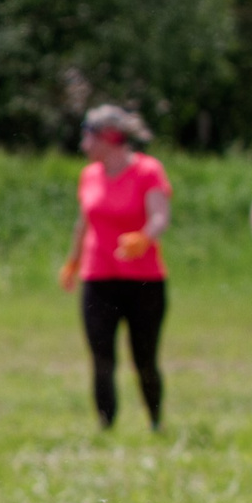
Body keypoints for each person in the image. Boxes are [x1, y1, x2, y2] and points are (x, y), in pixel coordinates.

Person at [56, 105, 170, 431]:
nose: (83, 145)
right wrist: (73, 260)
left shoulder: (148, 171)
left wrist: (144, 238)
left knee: (144, 358)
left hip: (144, 280)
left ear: (109, 138)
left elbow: (160, 216)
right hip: (98, 277)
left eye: (88, 138)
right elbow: (83, 222)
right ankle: (106, 425)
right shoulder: (89, 176)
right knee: (101, 356)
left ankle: (155, 420)